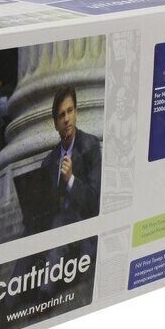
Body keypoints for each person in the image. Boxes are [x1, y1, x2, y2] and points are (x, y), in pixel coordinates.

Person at [41, 85, 102, 230]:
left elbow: (94, 201)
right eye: (61, 115)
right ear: (56, 124)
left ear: (76, 113)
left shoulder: (91, 146)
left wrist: (70, 179)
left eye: (70, 111)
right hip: (55, 233)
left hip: (83, 231)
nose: (67, 119)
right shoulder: (48, 163)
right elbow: (45, 211)